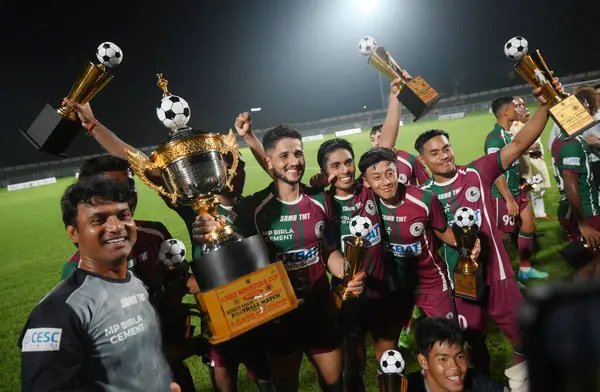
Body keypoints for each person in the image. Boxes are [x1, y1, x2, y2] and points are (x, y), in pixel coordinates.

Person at [62, 99, 272, 392]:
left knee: (263, 369)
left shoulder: (253, 208)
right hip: (217, 307)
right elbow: (141, 163)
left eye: (237, 168)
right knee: (223, 369)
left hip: (258, 301)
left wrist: (249, 138)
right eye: (227, 168)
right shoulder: (194, 208)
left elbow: (280, 175)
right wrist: (94, 127)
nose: (234, 175)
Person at [193, 125, 366, 392]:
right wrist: (206, 228)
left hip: (320, 311)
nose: (294, 161)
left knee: (334, 385)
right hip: (278, 320)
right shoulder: (254, 209)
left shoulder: (321, 201)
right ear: (268, 162)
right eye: (284, 156)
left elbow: (327, 250)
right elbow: (224, 235)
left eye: (298, 153)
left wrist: (346, 271)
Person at [416, 82, 559, 368]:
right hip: (462, 282)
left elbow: (519, 145)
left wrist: (545, 105)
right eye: (434, 153)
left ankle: (522, 381)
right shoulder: (423, 196)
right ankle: (480, 382)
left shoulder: (477, 172)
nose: (444, 155)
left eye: (446, 148)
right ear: (423, 159)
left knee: (524, 337)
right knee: (471, 342)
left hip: (499, 274)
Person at [19, 178, 179, 392]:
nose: (116, 227)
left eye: (123, 215)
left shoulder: (136, 285)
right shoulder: (57, 313)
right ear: (73, 232)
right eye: (99, 220)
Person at [59, 156, 199, 391]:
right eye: (113, 186)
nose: (124, 194)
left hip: (171, 357)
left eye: (128, 186)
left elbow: (180, 281)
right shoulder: (76, 269)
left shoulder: (154, 233)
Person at [358, 148, 486, 371]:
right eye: (376, 178)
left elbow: (442, 230)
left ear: (398, 171)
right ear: (366, 182)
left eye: (390, 173)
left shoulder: (424, 199)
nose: (386, 182)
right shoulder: (368, 204)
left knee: (449, 344)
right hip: (395, 287)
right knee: (386, 348)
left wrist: (466, 241)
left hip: (432, 283)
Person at [311, 138, 403, 391]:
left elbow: (386, 147)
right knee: (354, 370)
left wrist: (395, 99)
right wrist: (341, 268)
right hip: (349, 299)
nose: (344, 170)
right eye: (335, 166)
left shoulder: (369, 190)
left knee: (390, 366)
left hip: (383, 293)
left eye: (348, 162)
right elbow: (327, 248)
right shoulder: (323, 204)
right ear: (325, 172)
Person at [485, 96, 548, 282]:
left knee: (528, 225)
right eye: (514, 107)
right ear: (505, 112)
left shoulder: (509, 135)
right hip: (503, 197)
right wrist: (508, 199)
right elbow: (495, 172)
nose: (517, 110)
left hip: (517, 190)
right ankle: (503, 276)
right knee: (503, 237)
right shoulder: (494, 139)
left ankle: (525, 268)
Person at [406, 317, 510, 392]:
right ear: (424, 362)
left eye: (459, 356)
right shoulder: (405, 387)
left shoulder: (476, 383)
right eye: (443, 359)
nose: (455, 367)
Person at [370, 76, 430, 186]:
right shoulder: (369, 164)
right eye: (373, 139)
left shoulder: (409, 159)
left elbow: (428, 186)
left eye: (380, 137)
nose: (376, 143)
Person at [547, 86, 600, 188]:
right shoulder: (562, 122)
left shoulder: (598, 117)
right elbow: (553, 147)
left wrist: (597, 141)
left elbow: (553, 149)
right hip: (578, 166)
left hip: (590, 165)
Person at [510, 97, 552, 220]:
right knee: (527, 190)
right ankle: (525, 216)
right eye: (519, 105)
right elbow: (513, 146)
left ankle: (539, 213)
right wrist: (529, 148)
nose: (523, 107)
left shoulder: (529, 123)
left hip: (536, 162)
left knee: (538, 189)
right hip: (525, 165)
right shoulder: (513, 127)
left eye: (523, 104)